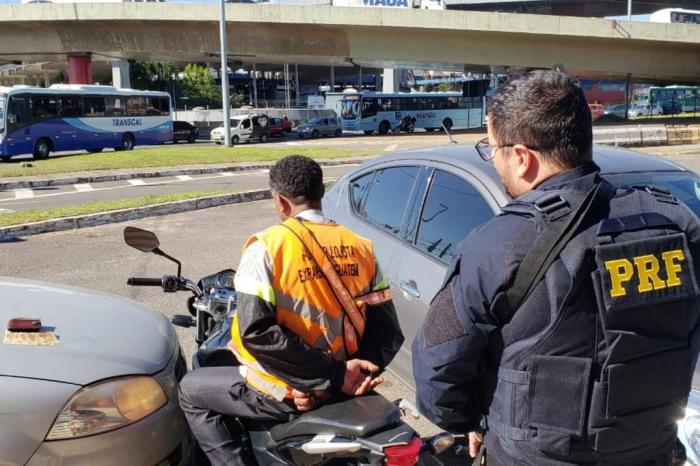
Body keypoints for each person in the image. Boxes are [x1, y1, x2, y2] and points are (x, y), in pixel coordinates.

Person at [412, 70, 700, 466]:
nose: (492, 159)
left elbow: (437, 370)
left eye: (490, 148)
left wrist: (473, 420)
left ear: (522, 158)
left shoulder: (499, 244)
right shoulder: (676, 222)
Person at [179, 155, 404, 466]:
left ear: (280, 201)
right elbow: (387, 330)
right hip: (345, 382)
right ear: (321, 192)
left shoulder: (267, 247)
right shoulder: (361, 247)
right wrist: (353, 377)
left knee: (190, 390)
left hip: (285, 390)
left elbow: (257, 333)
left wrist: (329, 379)